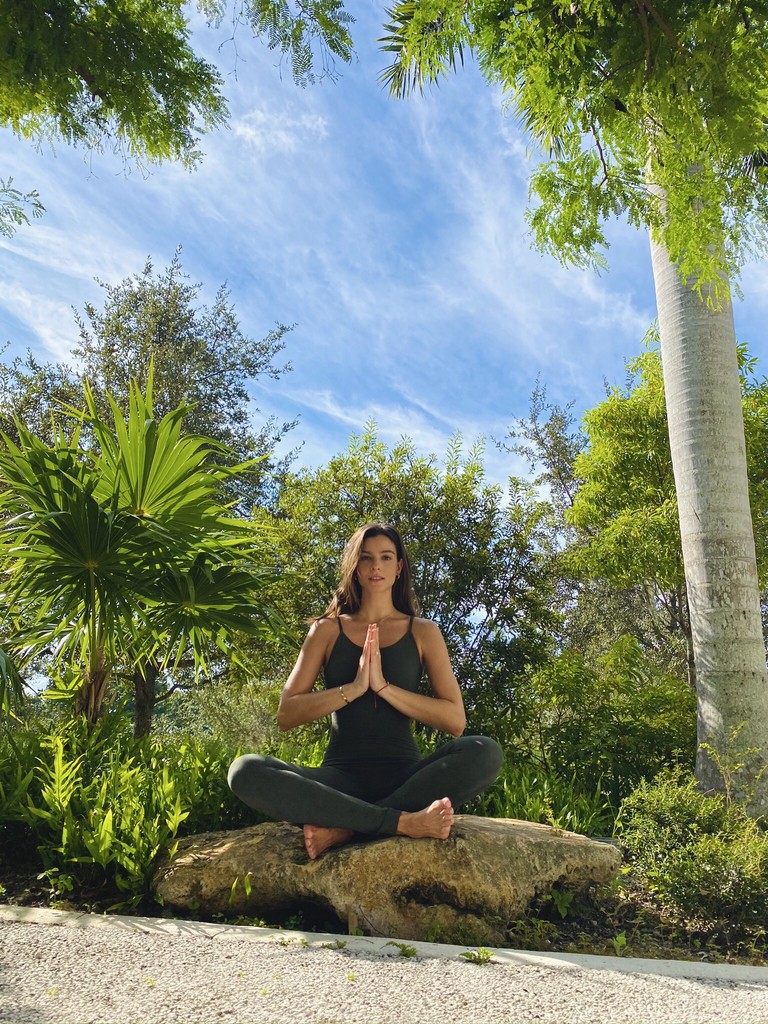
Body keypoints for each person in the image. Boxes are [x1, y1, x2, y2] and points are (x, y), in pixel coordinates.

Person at [228, 522, 503, 859]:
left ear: (399, 567)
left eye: (386, 557)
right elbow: (287, 714)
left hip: (406, 780)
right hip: (339, 780)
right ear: (354, 567)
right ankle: (399, 821)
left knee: (485, 750)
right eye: (367, 558)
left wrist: (384, 688)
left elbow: (455, 719)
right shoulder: (326, 631)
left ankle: (347, 827)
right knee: (244, 770)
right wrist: (354, 688)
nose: (376, 567)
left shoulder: (423, 632)